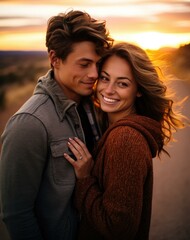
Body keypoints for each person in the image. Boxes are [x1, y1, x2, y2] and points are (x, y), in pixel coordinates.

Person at [0, 10, 113, 240]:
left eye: (97, 64)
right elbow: (16, 215)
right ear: (55, 58)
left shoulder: (94, 106)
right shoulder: (29, 124)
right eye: (84, 64)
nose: (93, 74)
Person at [64, 42, 186, 239]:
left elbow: (117, 228)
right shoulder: (116, 128)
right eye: (105, 78)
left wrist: (85, 180)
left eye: (122, 83)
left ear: (138, 89)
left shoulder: (126, 139)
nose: (109, 90)